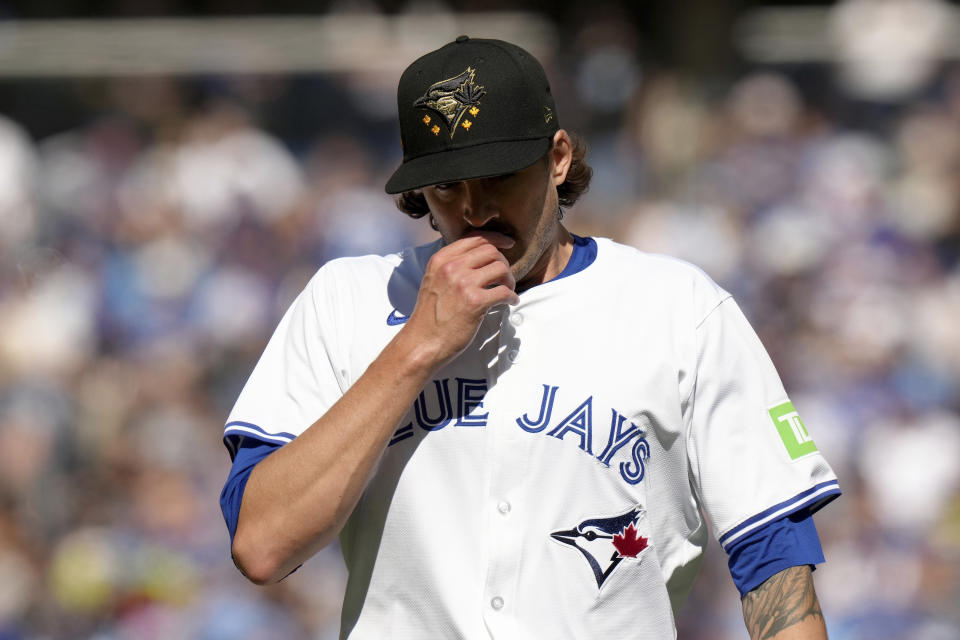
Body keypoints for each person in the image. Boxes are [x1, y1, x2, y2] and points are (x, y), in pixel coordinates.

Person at [220, 36, 841, 639]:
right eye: (447, 186)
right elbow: (263, 545)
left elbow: (774, 556)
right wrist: (416, 348)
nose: (475, 209)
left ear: (559, 158)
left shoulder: (678, 307)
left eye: (498, 177)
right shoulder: (347, 301)